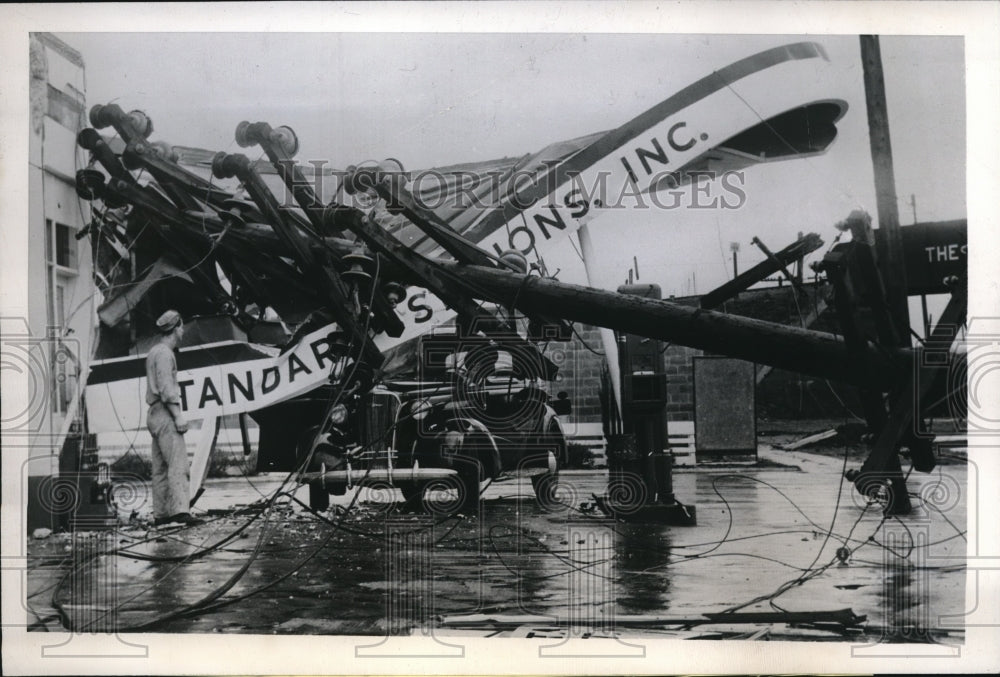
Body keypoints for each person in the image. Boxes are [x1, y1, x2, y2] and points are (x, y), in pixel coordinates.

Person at [145, 310, 202, 526]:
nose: (183, 330)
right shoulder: (164, 354)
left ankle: (161, 515)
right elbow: (167, 388)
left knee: (160, 468)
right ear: (176, 328)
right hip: (165, 412)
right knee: (178, 465)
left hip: (154, 413)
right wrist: (178, 416)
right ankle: (180, 512)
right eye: (181, 326)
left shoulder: (154, 352)